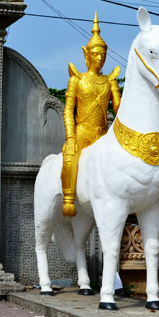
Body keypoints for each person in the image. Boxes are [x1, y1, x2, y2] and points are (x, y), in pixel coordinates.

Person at [61, 12, 121, 216]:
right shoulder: (77, 79)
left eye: (103, 55)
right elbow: (68, 110)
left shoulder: (110, 79)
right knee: (70, 156)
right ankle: (68, 198)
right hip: (83, 132)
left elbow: (118, 108)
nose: (100, 58)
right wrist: (70, 136)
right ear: (87, 55)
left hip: (103, 134)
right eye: (95, 54)